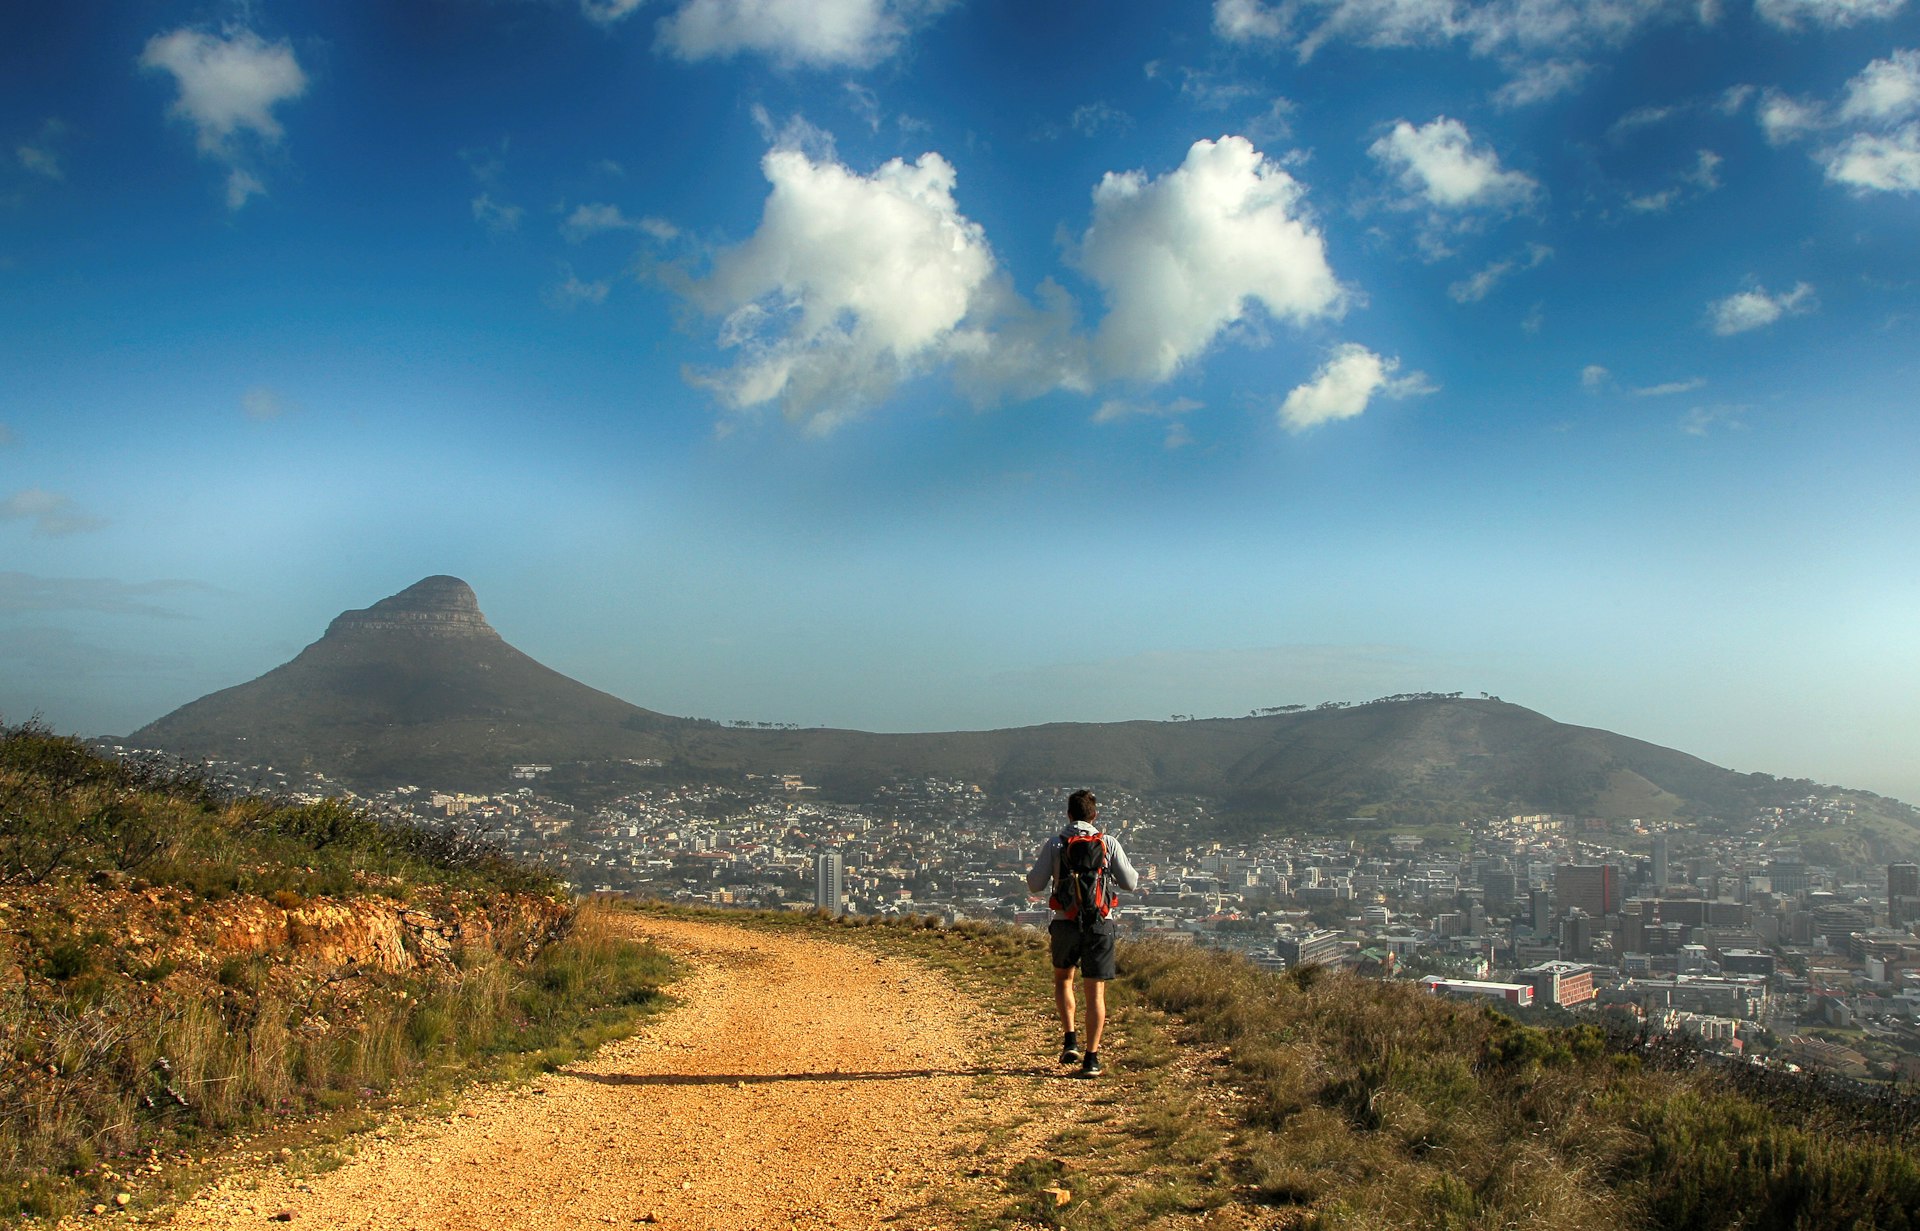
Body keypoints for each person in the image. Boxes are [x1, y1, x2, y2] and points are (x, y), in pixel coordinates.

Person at [1025, 789, 1139, 1078]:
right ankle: (1092, 1057)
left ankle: (1069, 1040)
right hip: (1100, 923)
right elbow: (1130, 883)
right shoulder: (1108, 842)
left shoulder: (1055, 844)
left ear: (1069, 814)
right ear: (1094, 815)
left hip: (1065, 921)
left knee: (1064, 979)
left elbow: (1035, 885)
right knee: (1095, 991)